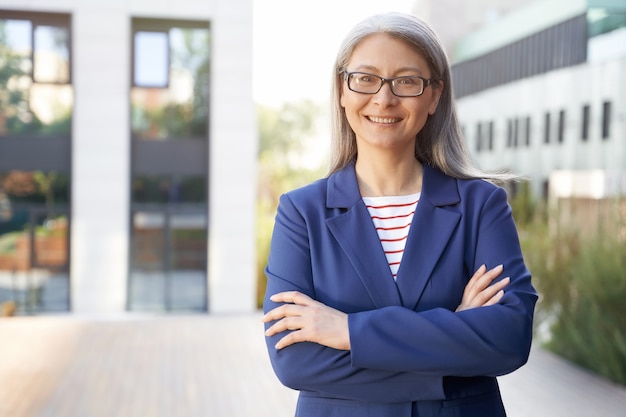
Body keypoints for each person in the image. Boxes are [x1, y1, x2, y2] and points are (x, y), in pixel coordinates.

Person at [262, 12, 537, 417]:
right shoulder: (301, 212)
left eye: (406, 81)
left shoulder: (482, 206)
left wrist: (347, 331)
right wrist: (453, 340)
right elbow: (294, 360)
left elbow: (509, 338)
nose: (384, 98)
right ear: (342, 89)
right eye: (366, 78)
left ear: (434, 95)